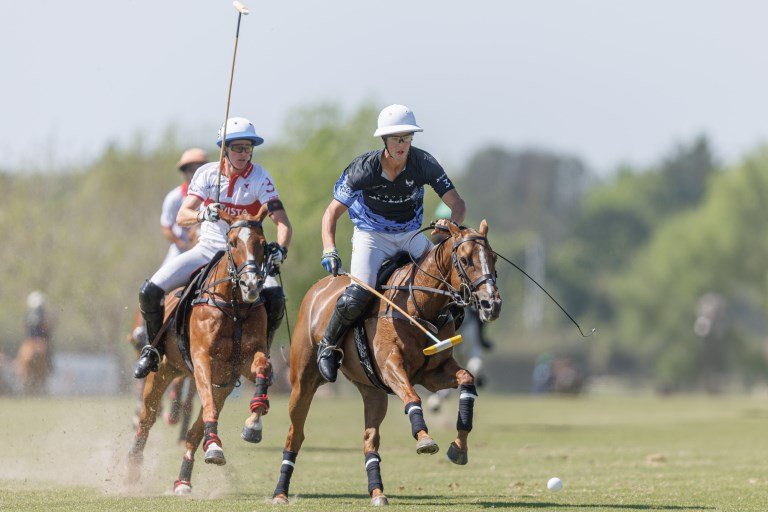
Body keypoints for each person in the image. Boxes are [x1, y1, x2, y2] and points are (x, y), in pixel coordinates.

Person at [316, 104, 467, 383]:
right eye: (397, 139)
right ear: (384, 140)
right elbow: (331, 213)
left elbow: (457, 203)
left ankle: (437, 344)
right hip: (371, 236)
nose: (403, 144)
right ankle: (329, 345)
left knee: (449, 284)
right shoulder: (363, 170)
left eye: (407, 138)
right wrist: (329, 248)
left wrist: (452, 226)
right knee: (356, 297)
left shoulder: (424, 163)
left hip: (410, 233)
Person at [134, 117, 293, 378]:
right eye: (238, 148)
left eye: (248, 148)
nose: (244, 154)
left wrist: (281, 250)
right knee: (149, 291)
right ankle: (153, 351)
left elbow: (283, 223)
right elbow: (182, 216)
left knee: (276, 298)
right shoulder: (207, 174)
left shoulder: (260, 178)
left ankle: (261, 347)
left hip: (245, 258)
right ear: (225, 150)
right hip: (208, 251)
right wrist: (203, 214)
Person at [160, 148, 209, 264]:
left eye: (200, 169)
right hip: (182, 249)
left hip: (208, 247)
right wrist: (184, 245)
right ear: (185, 173)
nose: (196, 174)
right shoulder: (174, 198)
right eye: (192, 170)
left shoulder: (214, 195)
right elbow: (166, 227)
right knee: (160, 279)